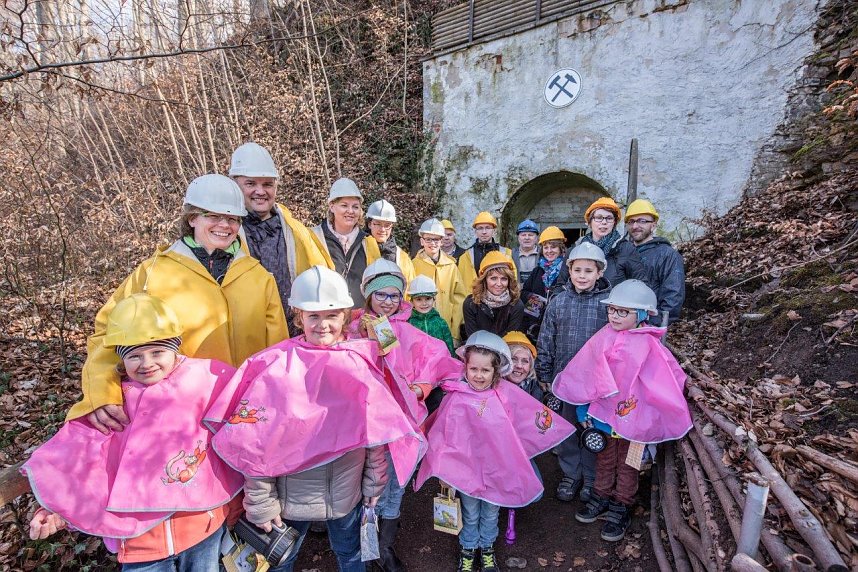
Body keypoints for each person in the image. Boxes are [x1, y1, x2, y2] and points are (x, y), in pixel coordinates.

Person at [206, 266, 425, 572]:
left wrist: (374, 486)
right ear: (299, 318)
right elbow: (256, 442)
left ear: (345, 317)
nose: (323, 325)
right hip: (290, 497)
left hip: (345, 494)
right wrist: (261, 501)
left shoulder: (359, 363)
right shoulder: (275, 366)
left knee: (350, 553)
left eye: (332, 315)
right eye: (314, 316)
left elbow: (374, 433)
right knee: (283, 559)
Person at [24, 294, 243, 569]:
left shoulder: (203, 381)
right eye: (134, 356)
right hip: (141, 543)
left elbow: (246, 409)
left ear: (175, 349)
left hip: (201, 527)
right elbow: (82, 460)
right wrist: (56, 509)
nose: (147, 363)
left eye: (157, 352)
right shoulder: (113, 404)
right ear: (121, 359)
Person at [66, 174, 288, 430]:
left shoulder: (258, 277)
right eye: (214, 216)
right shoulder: (153, 274)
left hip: (245, 412)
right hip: (176, 416)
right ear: (192, 218)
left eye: (232, 219)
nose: (224, 225)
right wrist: (102, 391)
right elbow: (107, 333)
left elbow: (276, 350)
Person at [414, 331, 574, 572]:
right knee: (469, 512)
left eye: (485, 370)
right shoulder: (456, 398)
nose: (478, 375)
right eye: (474, 369)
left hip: (498, 471)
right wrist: (445, 471)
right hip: (467, 471)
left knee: (490, 512)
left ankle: (486, 548)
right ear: (465, 368)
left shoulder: (506, 395)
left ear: (496, 371)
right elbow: (445, 436)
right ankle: (468, 548)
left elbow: (523, 423)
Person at [553, 280, 692, 541]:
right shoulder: (602, 337)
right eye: (612, 310)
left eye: (622, 312)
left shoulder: (650, 345)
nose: (614, 316)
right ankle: (601, 496)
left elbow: (661, 380)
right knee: (604, 459)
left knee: (629, 465)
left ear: (640, 315)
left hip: (636, 424)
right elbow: (587, 376)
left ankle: (622, 505)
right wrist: (585, 412)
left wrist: (654, 415)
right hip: (603, 419)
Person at [350, 260, 461, 571]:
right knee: (368, 482)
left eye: (395, 295)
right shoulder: (352, 328)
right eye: (381, 294)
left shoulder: (406, 329)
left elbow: (437, 358)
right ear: (368, 294)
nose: (388, 301)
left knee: (396, 478)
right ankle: (368, 547)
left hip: (403, 420)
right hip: (366, 423)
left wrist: (421, 389)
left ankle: (383, 548)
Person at [536, 242, 611, 504]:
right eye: (577, 270)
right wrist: (544, 371)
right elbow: (546, 337)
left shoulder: (607, 304)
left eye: (588, 271)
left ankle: (590, 477)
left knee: (591, 427)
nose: (582, 275)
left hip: (596, 384)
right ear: (569, 270)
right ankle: (571, 473)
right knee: (567, 427)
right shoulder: (559, 302)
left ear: (599, 272)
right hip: (564, 378)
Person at [229, 142, 333, 323]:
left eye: (267, 184)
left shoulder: (297, 232)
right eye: (250, 183)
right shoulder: (225, 234)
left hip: (293, 337)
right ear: (235, 185)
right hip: (246, 337)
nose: (260, 191)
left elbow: (323, 282)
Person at [311, 178, 381, 307]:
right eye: (344, 205)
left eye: (355, 207)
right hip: (326, 317)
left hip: (360, 318)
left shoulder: (369, 243)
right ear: (332, 206)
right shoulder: (314, 238)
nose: (350, 211)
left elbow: (376, 284)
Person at [556, 197, 650, 290]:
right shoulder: (575, 251)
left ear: (614, 223)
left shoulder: (626, 249)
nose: (604, 222)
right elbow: (560, 286)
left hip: (613, 304)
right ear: (589, 222)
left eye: (609, 218)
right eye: (598, 218)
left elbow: (640, 285)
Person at [624, 199, 685, 325]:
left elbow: (673, 296)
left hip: (649, 326)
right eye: (631, 221)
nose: (635, 226)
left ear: (653, 224)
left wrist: (653, 323)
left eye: (642, 221)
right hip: (620, 322)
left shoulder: (667, 255)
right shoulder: (623, 252)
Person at [412, 218, 467, 344]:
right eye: (428, 239)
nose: (432, 243)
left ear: (441, 241)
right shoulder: (413, 265)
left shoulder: (451, 266)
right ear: (422, 241)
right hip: (420, 330)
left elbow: (459, 300)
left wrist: (454, 333)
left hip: (445, 329)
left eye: (436, 239)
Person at [520, 226, 568, 342]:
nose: (549, 251)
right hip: (535, 325)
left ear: (561, 249)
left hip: (559, 324)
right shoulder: (538, 270)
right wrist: (537, 300)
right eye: (546, 247)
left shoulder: (567, 270)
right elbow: (524, 292)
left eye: (553, 247)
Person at [462, 251, 524, 339]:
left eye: (503, 279)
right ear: (484, 280)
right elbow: (473, 338)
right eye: (493, 278)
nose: (499, 284)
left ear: (509, 281)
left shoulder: (516, 305)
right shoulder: (471, 304)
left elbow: (511, 340)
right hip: (478, 350)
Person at [457, 211, 515, 293]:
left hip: (501, 300)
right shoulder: (466, 256)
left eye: (488, 228)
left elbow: (513, 279)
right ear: (475, 232)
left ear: (494, 231)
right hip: (474, 301)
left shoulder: (506, 253)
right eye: (480, 228)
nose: (484, 232)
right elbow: (461, 285)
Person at [365, 199, 416, 286]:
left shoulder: (402, 258)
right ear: (370, 224)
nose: (382, 229)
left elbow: (410, 289)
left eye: (387, 225)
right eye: (378, 224)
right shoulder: (359, 248)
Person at [406, 275, 455, 356]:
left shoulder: (441, 323)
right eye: (418, 299)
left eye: (428, 298)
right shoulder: (408, 323)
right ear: (411, 302)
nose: (424, 303)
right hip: (416, 367)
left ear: (434, 300)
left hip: (439, 365)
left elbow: (450, 348)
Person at [502, 331, 543, 401]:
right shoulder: (488, 386)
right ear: (502, 361)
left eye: (525, 361)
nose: (519, 366)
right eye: (513, 359)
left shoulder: (536, 392)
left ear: (530, 366)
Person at [511, 219, 540, 284]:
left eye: (530, 235)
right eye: (523, 235)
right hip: (516, 292)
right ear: (518, 237)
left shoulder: (543, 254)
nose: (527, 238)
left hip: (537, 293)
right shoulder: (510, 254)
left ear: (536, 238)